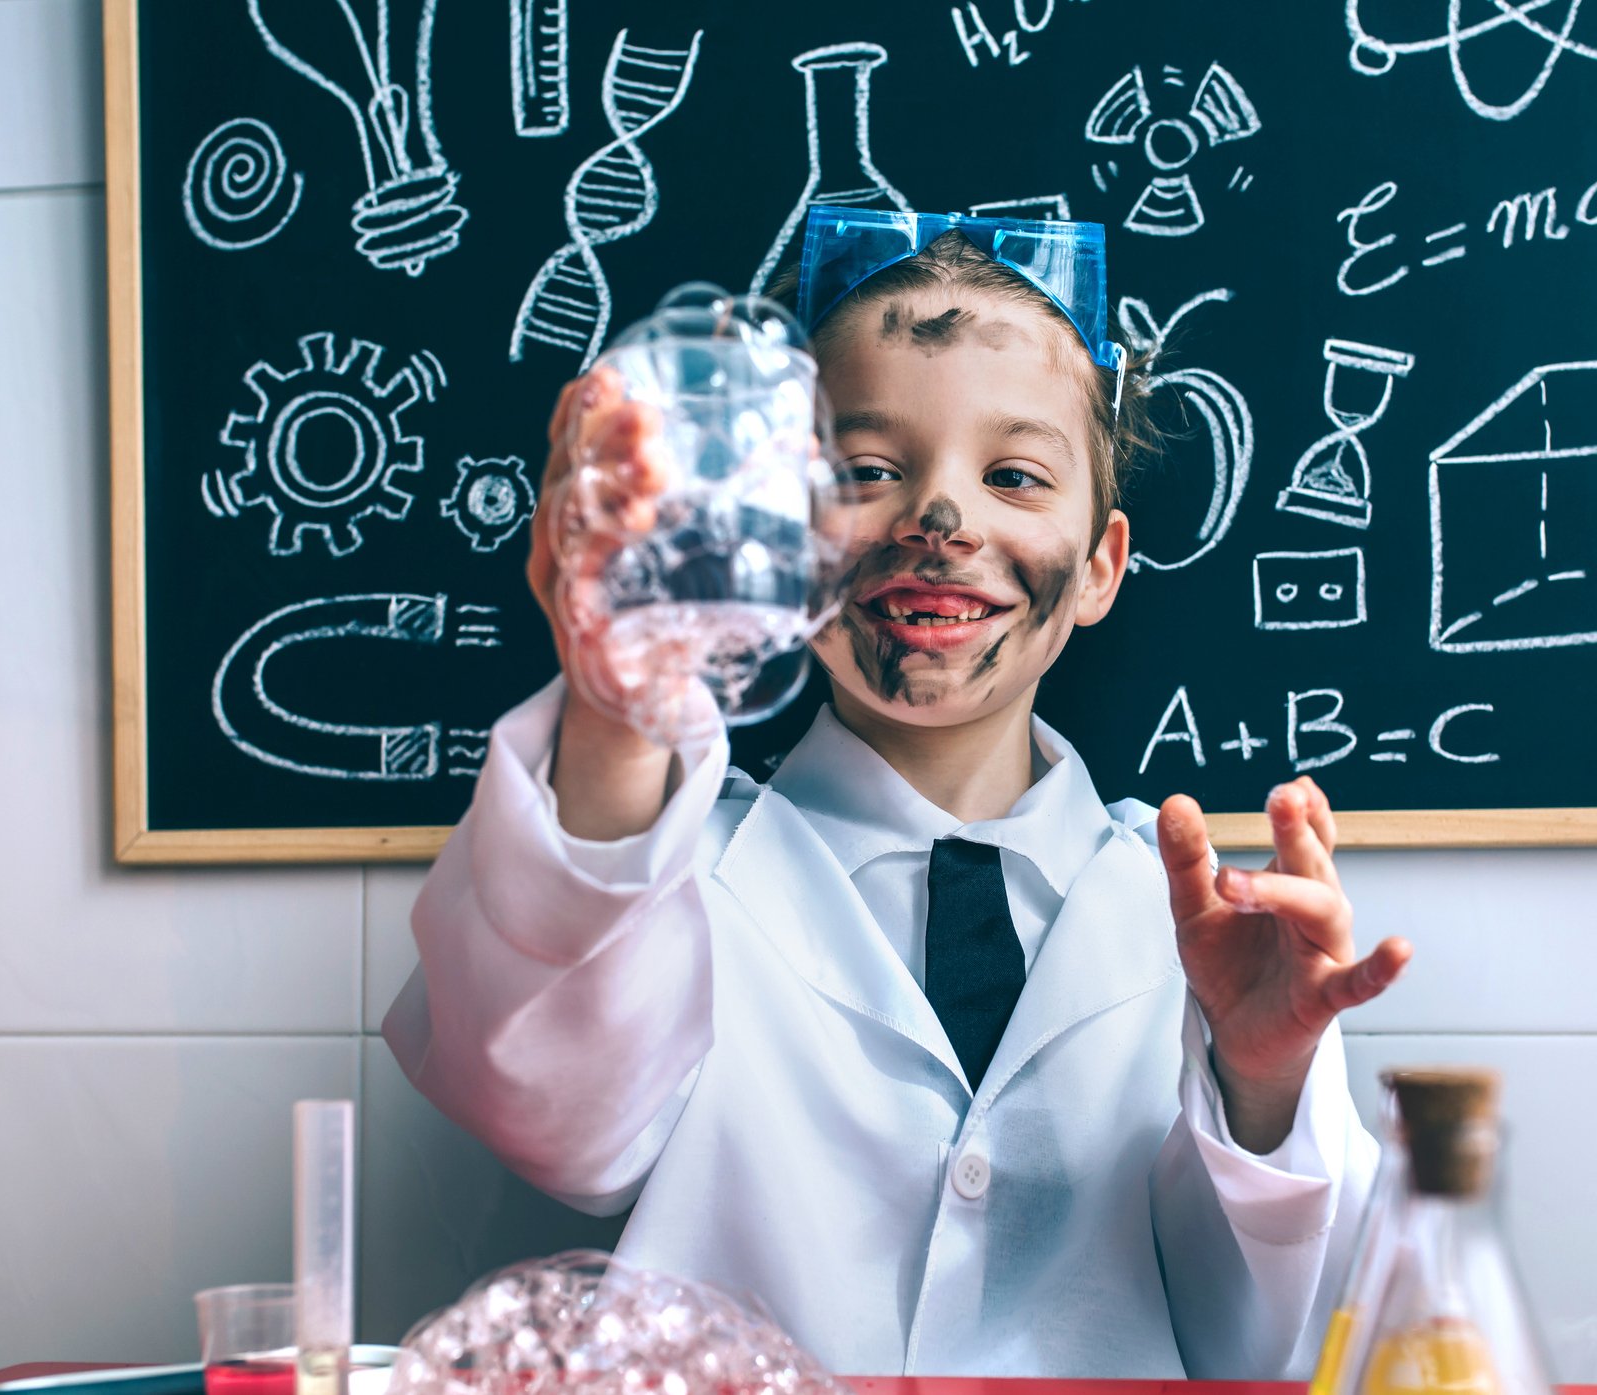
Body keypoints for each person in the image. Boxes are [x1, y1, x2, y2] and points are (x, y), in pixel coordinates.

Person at [383, 208, 1413, 1378]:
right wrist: (620, 708)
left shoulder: (1205, 930)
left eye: (1013, 475)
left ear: (1100, 566)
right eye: (866, 472)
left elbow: (1284, 1346)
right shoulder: (664, 879)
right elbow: (547, 1114)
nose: (941, 521)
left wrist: (1264, 1084)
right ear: (780, 534)